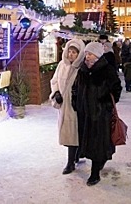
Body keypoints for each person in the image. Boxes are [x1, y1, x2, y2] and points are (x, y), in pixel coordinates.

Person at [72, 42, 122, 186]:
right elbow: (75, 88)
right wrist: (75, 101)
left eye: (90, 53)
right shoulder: (82, 69)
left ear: (98, 55)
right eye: (86, 53)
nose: (87, 56)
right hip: (84, 113)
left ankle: (95, 173)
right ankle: (99, 161)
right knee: (88, 141)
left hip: (100, 114)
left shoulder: (107, 69)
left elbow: (117, 88)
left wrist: (106, 103)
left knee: (97, 143)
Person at [49, 39, 86, 175]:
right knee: (68, 133)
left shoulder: (81, 67)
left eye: (74, 52)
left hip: (75, 105)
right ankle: (75, 156)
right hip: (63, 104)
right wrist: (56, 92)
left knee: (73, 133)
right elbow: (54, 80)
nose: (71, 55)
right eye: (69, 52)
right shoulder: (61, 65)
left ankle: (70, 162)